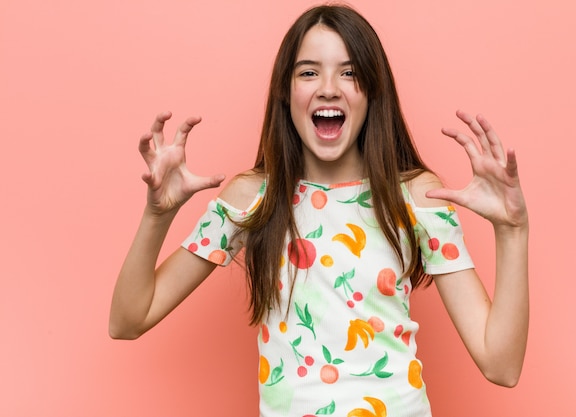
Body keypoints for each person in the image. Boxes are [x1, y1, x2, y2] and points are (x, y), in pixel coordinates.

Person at [109, 5, 529, 417]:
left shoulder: (416, 196)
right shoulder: (253, 198)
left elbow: (501, 365)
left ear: (373, 92)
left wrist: (512, 231)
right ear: (285, 92)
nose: (329, 87)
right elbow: (128, 321)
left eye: (349, 73)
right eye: (309, 72)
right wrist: (157, 217)